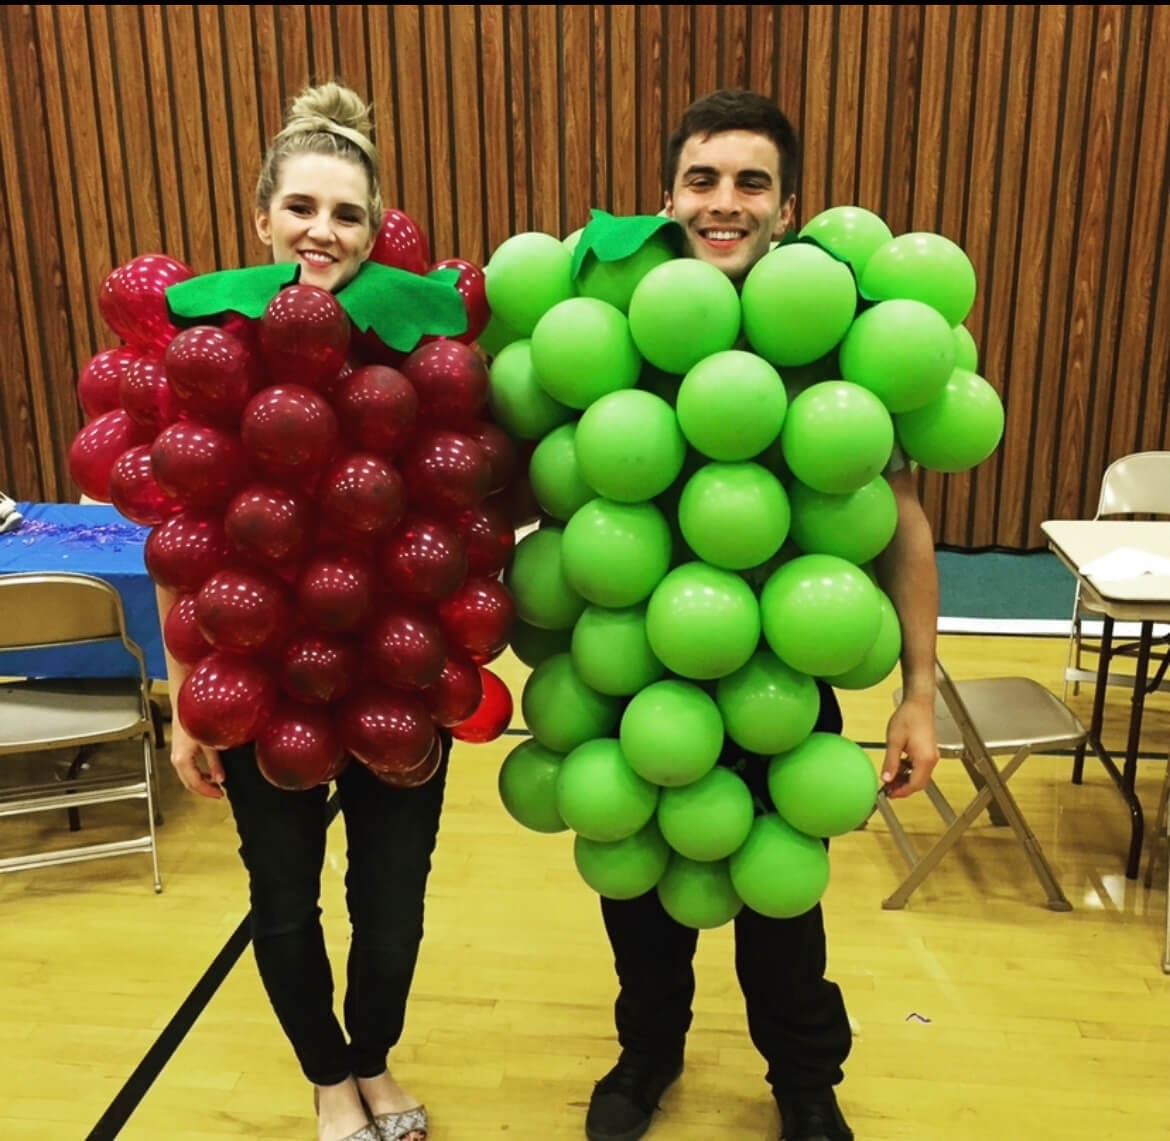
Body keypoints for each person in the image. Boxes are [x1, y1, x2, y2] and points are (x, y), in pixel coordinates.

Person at [582, 89, 941, 1141]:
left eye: (751, 183)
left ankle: (804, 1079)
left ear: (788, 208)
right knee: (640, 893)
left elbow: (903, 524)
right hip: (640, 669)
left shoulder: (839, 345)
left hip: (783, 675)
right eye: (703, 179)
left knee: (785, 903)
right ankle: (646, 1055)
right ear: (669, 197)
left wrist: (919, 692)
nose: (724, 202)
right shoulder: (619, 334)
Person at [158, 82, 435, 1141]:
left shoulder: (414, 346)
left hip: (390, 667)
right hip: (261, 678)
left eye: (348, 213)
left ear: (376, 230)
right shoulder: (212, 347)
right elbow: (182, 539)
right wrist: (189, 699)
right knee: (284, 896)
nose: (324, 231)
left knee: (393, 904)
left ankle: (371, 1056)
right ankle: (328, 1077)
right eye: (303, 208)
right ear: (262, 217)